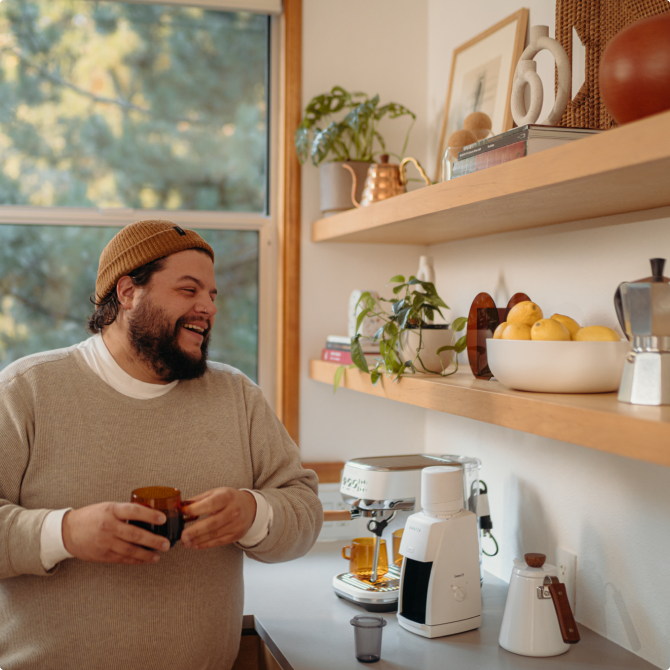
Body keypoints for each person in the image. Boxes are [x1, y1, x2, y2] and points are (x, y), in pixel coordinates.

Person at [0, 219, 322, 670]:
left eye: (212, 295)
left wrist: (252, 513)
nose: (207, 308)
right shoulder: (25, 390)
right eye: (188, 290)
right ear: (128, 292)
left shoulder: (236, 395)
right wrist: (66, 533)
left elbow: (305, 510)